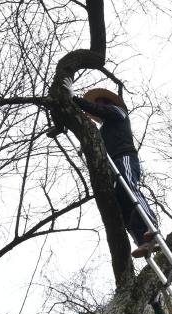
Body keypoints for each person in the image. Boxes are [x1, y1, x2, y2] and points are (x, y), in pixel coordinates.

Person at [64, 79, 157, 258]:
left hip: (125, 158)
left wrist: (73, 98)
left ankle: (151, 226)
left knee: (129, 188)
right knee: (123, 204)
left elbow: (101, 111)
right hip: (112, 167)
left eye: (101, 103)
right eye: (96, 103)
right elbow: (94, 141)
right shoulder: (103, 129)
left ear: (109, 104)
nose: (98, 106)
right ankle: (143, 241)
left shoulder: (118, 112)